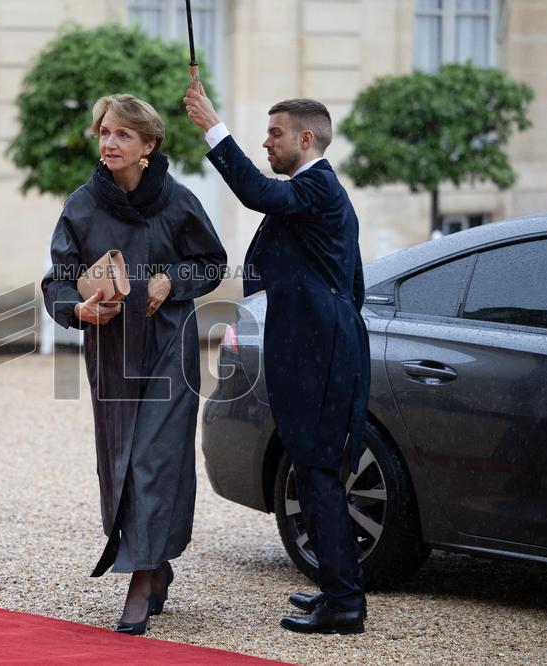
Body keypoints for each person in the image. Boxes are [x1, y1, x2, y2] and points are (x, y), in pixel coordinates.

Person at [184, 89, 370, 635]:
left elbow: (253, 192)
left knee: (317, 474)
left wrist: (214, 127)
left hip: (321, 357)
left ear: (305, 139)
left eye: (275, 133)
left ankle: (345, 604)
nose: (266, 141)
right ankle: (336, 589)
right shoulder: (315, 193)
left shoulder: (317, 187)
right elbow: (352, 282)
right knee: (313, 473)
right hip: (320, 351)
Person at [42, 94, 227, 635]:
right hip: (112, 349)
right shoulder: (81, 206)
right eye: (104, 132)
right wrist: (76, 308)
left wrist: (172, 281)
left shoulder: (178, 201)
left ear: (149, 145)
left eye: (123, 134)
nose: (109, 142)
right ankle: (156, 561)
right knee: (119, 461)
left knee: (155, 459)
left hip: (170, 345)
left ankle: (142, 579)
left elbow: (211, 262)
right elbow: (56, 279)